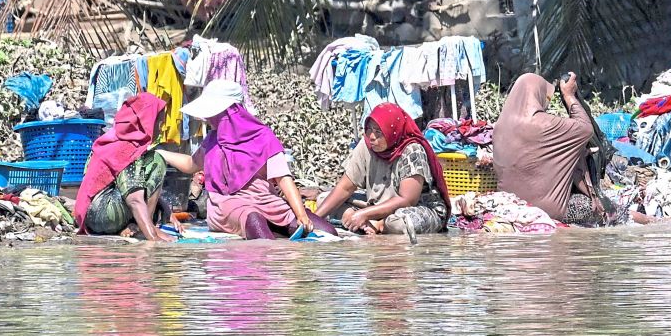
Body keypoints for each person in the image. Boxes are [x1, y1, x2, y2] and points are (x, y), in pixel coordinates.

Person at [494, 72, 671, 226]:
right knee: (600, 207)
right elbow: (584, 129)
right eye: (546, 98)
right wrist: (568, 96)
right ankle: (656, 222)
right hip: (548, 209)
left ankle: (651, 220)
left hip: (513, 204)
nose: (547, 103)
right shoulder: (542, 124)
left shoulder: (499, 129)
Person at [158, 80, 337, 240]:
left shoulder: (264, 138)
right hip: (227, 205)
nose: (208, 119)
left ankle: (282, 232)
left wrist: (301, 215)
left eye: (213, 114)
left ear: (230, 113)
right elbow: (191, 164)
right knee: (254, 219)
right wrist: (161, 153)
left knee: (327, 232)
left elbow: (283, 179)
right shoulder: (212, 141)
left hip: (266, 202)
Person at [313, 103, 451, 239]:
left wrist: (365, 214)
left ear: (392, 132)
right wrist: (314, 219)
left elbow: (407, 200)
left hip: (413, 208)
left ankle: (378, 225)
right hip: (376, 205)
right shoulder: (367, 145)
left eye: (378, 132)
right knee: (323, 199)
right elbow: (345, 187)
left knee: (402, 223)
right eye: (369, 129)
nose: (372, 136)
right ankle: (358, 222)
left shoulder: (412, 151)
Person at [74, 93, 177, 241]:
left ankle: (134, 226)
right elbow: (134, 200)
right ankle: (143, 227)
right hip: (102, 214)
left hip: (90, 217)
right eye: (159, 122)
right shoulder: (127, 148)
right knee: (157, 160)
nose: (161, 128)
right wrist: (153, 236)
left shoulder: (112, 139)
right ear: (147, 122)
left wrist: (163, 206)